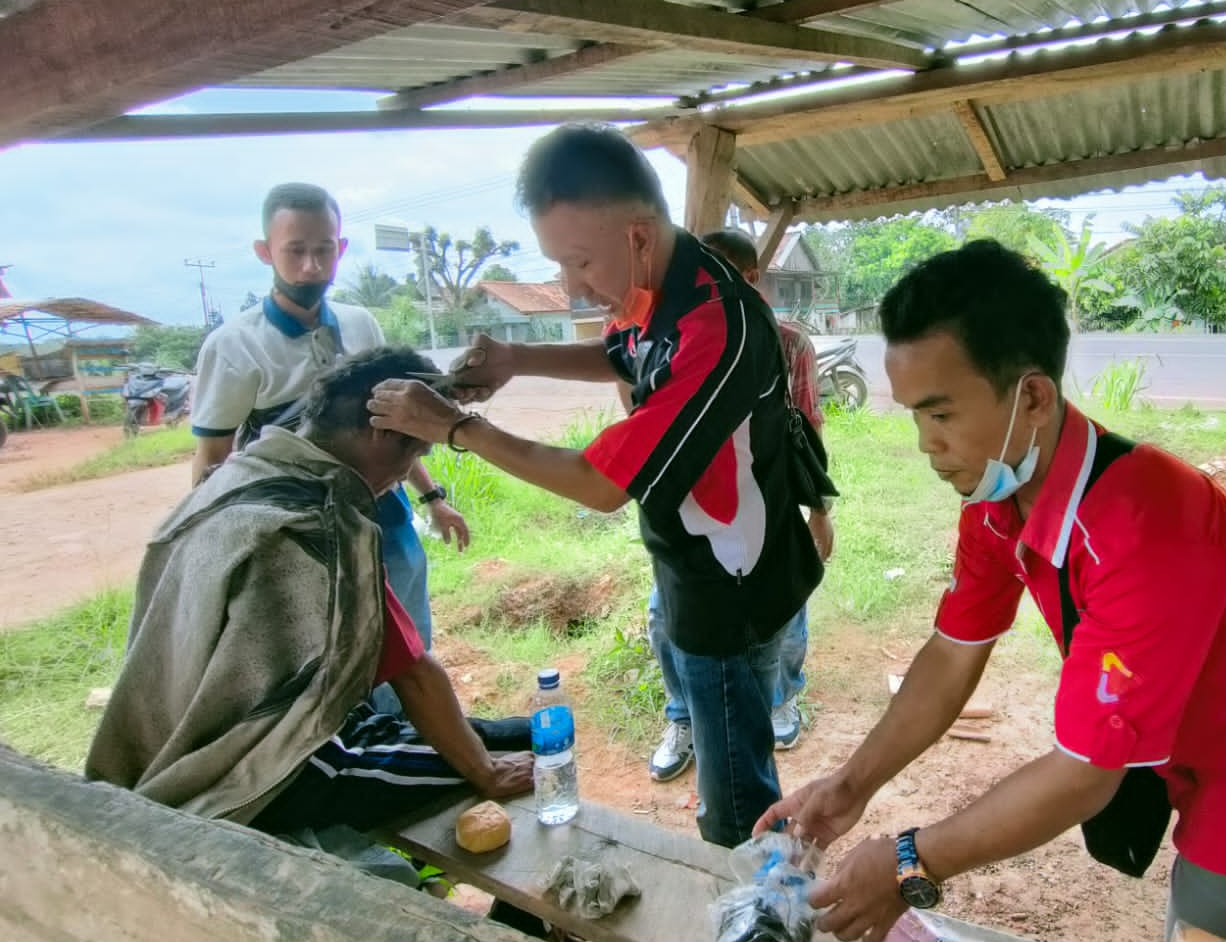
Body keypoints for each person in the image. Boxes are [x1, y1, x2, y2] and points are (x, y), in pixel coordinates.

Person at [760, 241, 1226, 942]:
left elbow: (1084, 772)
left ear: (1031, 397)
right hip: (1208, 751)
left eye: (941, 412)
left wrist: (905, 864)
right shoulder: (1000, 500)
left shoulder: (1149, 525)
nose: (926, 444)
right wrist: (851, 786)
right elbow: (952, 655)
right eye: (914, 416)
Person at [366, 123, 822, 849]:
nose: (575, 287)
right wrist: (517, 356)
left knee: (736, 798)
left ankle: (756, 917)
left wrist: (459, 429)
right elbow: (622, 352)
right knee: (724, 749)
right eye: (559, 263)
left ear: (640, 235)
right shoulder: (662, 279)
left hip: (730, 589)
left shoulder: (716, 326)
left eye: (580, 262)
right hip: (691, 566)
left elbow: (599, 484)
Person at [87, 348, 533, 834]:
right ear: (384, 432)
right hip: (258, 770)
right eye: (415, 453)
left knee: (506, 736)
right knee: (535, 753)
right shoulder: (321, 527)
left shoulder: (236, 482)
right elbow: (415, 677)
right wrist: (484, 772)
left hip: (179, 743)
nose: (406, 474)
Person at [188, 182, 467, 670]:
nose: (311, 266)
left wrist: (432, 499)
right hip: (297, 524)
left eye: (323, 250)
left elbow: (395, 427)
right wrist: (210, 555)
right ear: (264, 251)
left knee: (407, 634)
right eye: (295, 251)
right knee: (331, 644)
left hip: (384, 509)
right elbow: (213, 463)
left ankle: (411, 729)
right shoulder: (234, 347)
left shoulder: (361, 326)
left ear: (340, 248)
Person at [643, 228, 835, 784]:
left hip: (766, 504)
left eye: (718, 277)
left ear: (750, 280)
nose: (703, 291)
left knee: (784, 610)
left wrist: (818, 506)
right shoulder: (670, 341)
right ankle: (682, 717)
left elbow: (806, 426)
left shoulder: (788, 343)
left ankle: (780, 700)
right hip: (692, 518)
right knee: (665, 617)